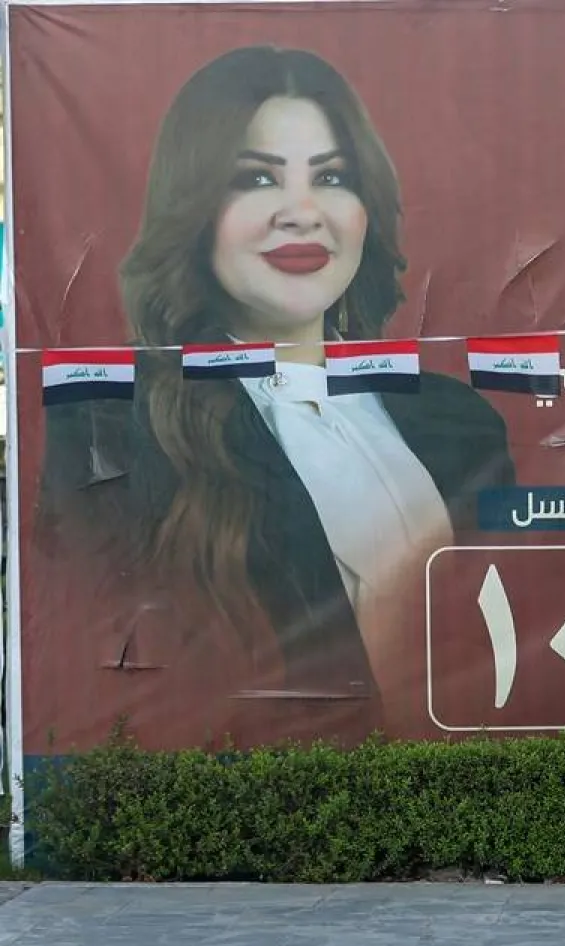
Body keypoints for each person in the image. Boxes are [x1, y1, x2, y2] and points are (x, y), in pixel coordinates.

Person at [36, 46, 515, 743]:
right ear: (193, 208)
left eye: (332, 176)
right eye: (257, 177)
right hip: (268, 819)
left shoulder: (459, 422)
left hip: (470, 808)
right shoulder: (114, 425)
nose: (302, 211)